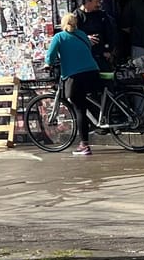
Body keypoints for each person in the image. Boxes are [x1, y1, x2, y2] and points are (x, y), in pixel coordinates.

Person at [45, 14, 105, 157]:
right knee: (86, 100)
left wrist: (48, 64)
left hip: (75, 76)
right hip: (92, 72)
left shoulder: (59, 37)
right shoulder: (82, 34)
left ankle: (84, 145)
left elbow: (51, 55)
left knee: (79, 109)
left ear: (62, 24)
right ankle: (102, 120)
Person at [77, 0, 116, 68]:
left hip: (102, 56)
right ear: (87, 1)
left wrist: (109, 51)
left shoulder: (102, 15)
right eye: (96, 2)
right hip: (84, 57)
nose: (98, 4)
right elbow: (71, 36)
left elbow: (110, 33)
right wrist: (85, 37)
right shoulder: (76, 17)